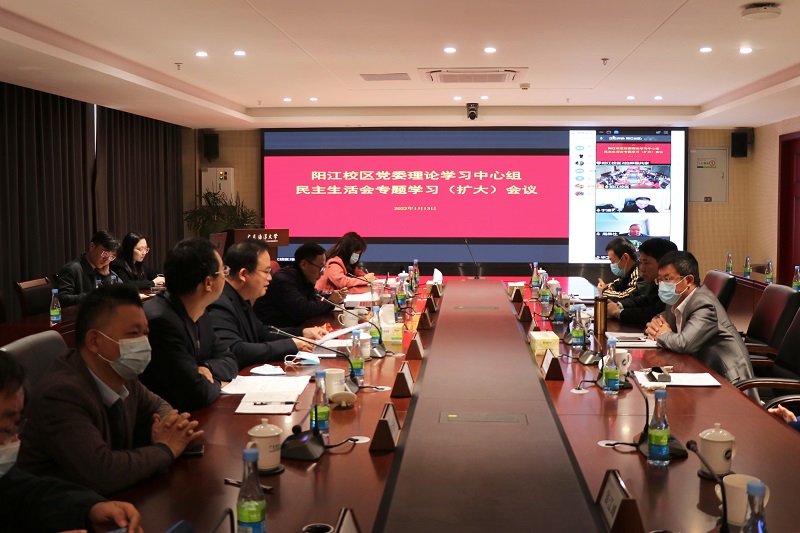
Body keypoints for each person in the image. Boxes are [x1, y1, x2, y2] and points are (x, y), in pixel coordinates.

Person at [17, 284, 202, 496]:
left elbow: (159, 406)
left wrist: (167, 428)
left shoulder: (121, 374)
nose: (144, 343)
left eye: (145, 333)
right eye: (133, 333)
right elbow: (102, 472)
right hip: (58, 510)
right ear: (94, 341)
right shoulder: (61, 394)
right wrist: (165, 449)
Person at [0, 351, 143, 532]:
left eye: (16, 424)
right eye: (6, 430)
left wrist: (88, 509)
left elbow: (26, 494)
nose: (14, 440)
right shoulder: (61, 391)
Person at [140, 238, 239, 412]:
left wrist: (206, 367)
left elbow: (230, 361)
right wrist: (218, 382)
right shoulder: (160, 322)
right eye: (223, 271)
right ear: (208, 283)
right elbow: (196, 393)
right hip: (165, 419)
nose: (225, 276)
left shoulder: (200, 311)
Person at [208, 240, 325, 369]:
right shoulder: (219, 304)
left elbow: (263, 333)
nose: (270, 278)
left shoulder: (241, 298)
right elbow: (235, 350)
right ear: (244, 274)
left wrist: (302, 333)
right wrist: (292, 344)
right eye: (266, 272)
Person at [645, 251, 756, 388]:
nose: (662, 285)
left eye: (667, 279)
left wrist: (662, 334)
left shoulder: (703, 304)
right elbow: (660, 319)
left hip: (729, 380)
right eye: (660, 280)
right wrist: (654, 326)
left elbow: (684, 344)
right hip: (702, 372)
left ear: (689, 280)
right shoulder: (676, 299)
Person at [253, 243, 347, 328]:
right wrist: (330, 301)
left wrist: (332, 296)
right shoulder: (284, 280)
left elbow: (314, 296)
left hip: (292, 327)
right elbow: (303, 311)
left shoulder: (303, 278)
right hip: (274, 332)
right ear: (304, 264)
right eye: (320, 267)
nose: (322, 273)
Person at [607, 238, 677, 326]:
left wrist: (619, 312)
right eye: (641, 262)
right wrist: (619, 305)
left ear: (664, 263)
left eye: (646, 263)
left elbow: (652, 312)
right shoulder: (655, 283)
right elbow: (644, 299)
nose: (642, 268)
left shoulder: (673, 287)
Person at [57, 230, 120, 307]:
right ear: (92, 246)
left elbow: (121, 292)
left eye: (112, 257)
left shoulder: (104, 269)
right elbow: (61, 299)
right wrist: (93, 296)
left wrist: (106, 276)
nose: (107, 259)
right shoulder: (71, 269)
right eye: (105, 253)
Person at [596, 237, 646, 301]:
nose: (612, 264)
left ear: (625, 257)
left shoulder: (639, 274)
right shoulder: (628, 273)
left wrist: (604, 291)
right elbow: (618, 284)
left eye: (612, 261)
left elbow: (627, 297)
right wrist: (608, 287)